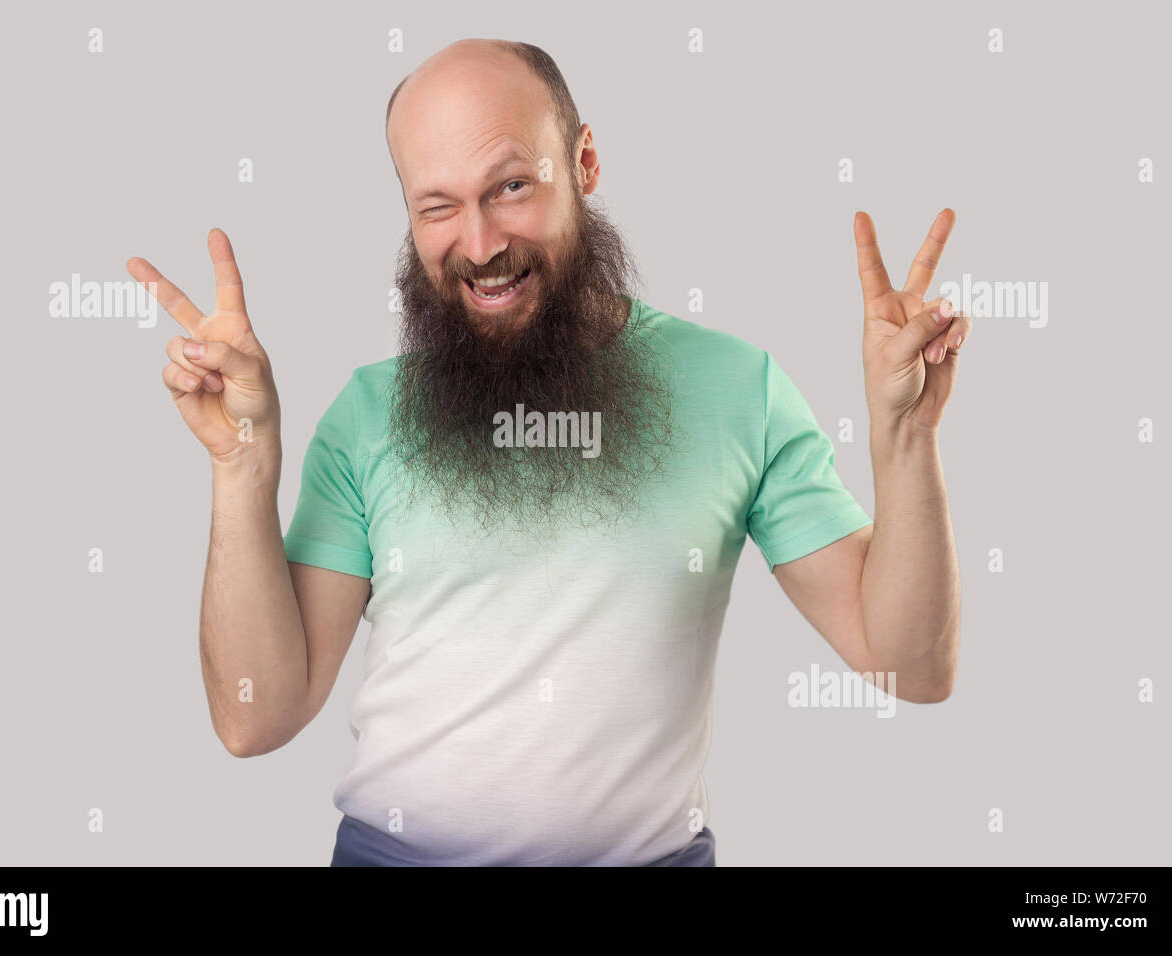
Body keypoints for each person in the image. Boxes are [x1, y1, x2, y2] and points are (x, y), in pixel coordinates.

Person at [126, 38, 969, 866]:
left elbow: (913, 668)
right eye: (438, 206)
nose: (483, 242)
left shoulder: (738, 387)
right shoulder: (366, 416)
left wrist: (906, 437)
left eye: (512, 186)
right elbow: (255, 719)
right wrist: (241, 462)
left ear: (586, 162)